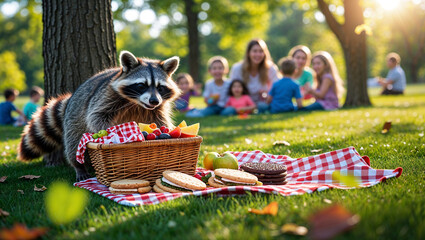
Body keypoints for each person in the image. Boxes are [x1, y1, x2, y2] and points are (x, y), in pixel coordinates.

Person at [229, 39, 280, 112]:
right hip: (243, 106)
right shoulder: (237, 68)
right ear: (248, 53)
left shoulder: (271, 68)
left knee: (263, 107)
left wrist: (266, 95)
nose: (258, 54)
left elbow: (277, 89)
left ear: (265, 53)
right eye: (255, 51)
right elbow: (232, 90)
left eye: (261, 51)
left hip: (263, 104)